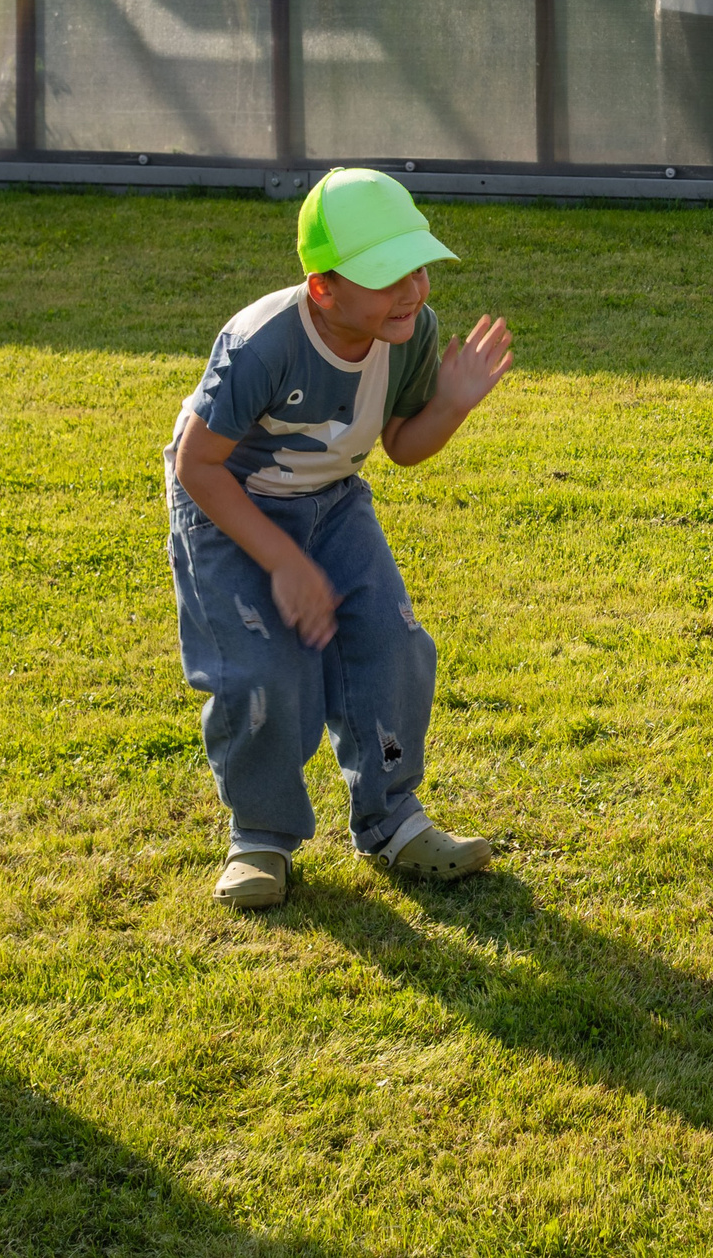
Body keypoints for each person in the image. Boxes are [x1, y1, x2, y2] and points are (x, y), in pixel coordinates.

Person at [166, 167, 513, 910]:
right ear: (324, 289)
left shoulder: (408, 329)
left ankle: (391, 815)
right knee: (264, 672)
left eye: (418, 266)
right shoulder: (262, 344)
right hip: (232, 509)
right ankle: (260, 836)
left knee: (393, 645)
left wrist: (449, 405)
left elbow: (401, 445)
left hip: (333, 503)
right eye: (388, 275)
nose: (414, 290)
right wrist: (283, 562)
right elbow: (199, 465)